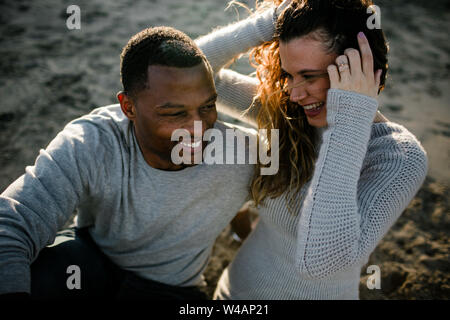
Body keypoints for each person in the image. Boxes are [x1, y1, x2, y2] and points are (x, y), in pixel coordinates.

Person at [0, 26, 256, 299]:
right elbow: (12, 223)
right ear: (129, 108)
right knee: (44, 270)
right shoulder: (92, 142)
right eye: (175, 113)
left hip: (171, 289)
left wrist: (244, 233)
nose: (198, 128)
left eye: (207, 106)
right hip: (90, 261)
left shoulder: (243, 153)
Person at [194, 0, 428, 299]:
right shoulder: (290, 114)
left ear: (362, 70)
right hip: (231, 295)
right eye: (290, 75)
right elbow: (190, 74)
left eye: (309, 76)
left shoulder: (399, 158)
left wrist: (349, 121)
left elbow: (321, 262)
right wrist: (269, 23)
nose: (294, 92)